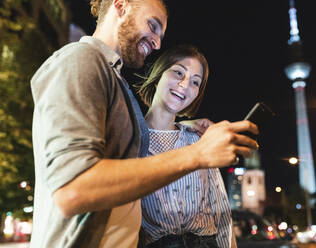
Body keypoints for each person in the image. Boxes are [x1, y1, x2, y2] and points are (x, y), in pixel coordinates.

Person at [29, 0, 259, 247]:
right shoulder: (81, 60)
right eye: (153, 25)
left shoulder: (116, 83)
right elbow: (73, 187)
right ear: (120, 5)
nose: (158, 43)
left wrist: (188, 127)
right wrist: (198, 154)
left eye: (195, 82)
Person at [137, 44, 235, 248]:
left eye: (195, 82)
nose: (184, 84)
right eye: (178, 72)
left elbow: (221, 210)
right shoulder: (132, 141)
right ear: (159, 75)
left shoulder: (199, 139)